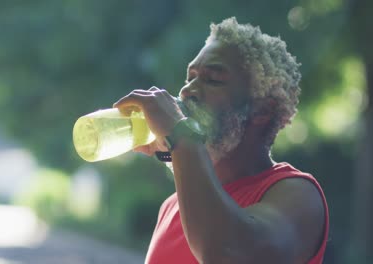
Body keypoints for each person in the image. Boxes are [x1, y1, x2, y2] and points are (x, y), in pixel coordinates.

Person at [114, 17, 329, 264]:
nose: (187, 91)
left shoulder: (298, 194)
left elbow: (227, 254)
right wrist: (175, 149)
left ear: (262, 111)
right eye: (190, 78)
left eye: (213, 80)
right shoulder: (174, 205)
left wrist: (180, 138)